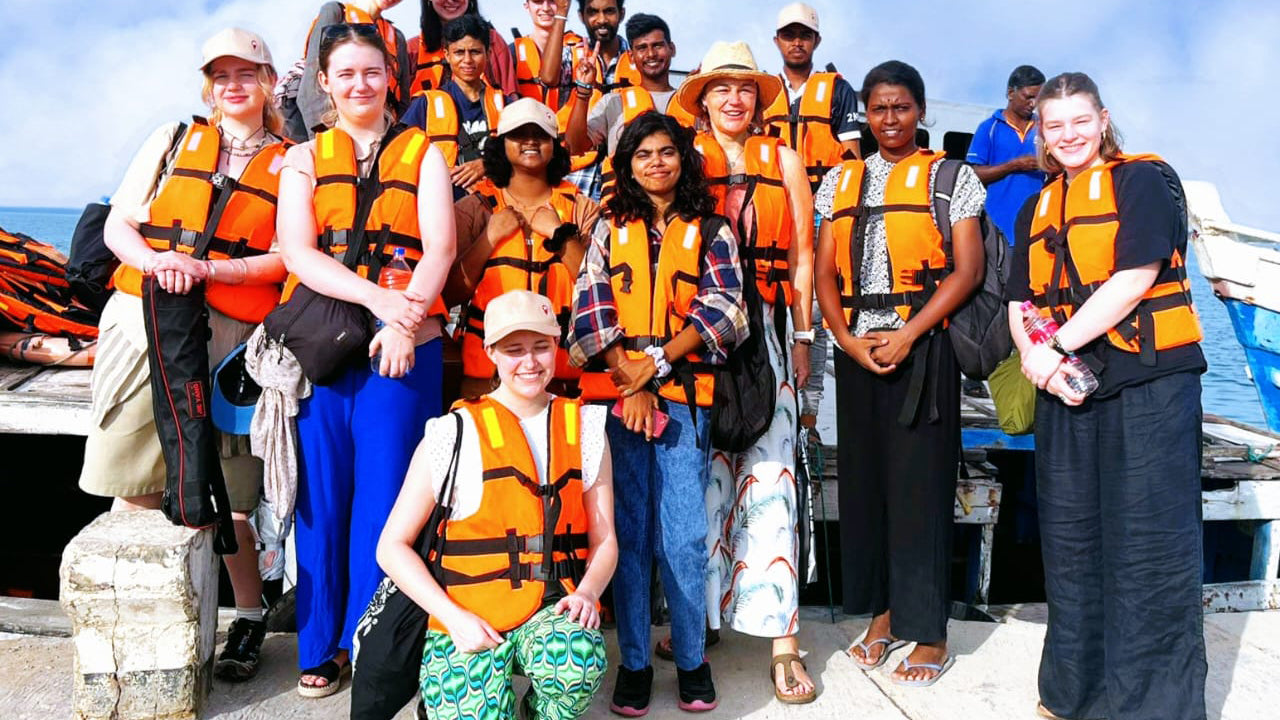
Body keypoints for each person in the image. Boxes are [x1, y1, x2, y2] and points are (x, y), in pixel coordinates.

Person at [79, 27, 288, 683]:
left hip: (230, 344)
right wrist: (158, 262)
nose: (234, 85)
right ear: (208, 85)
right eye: (221, 75)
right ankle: (136, 628)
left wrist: (216, 275)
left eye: (247, 72)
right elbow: (120, 223)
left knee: (230, 492)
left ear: (270, 81)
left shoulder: (294, 161)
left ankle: (248, 616)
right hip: (145, 324)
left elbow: (290, 255)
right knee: (134, 482)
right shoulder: (173, 140)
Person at [1007, 72, 1206, 720]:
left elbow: (1136, 275)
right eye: (1054, 125)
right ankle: (1072, 694)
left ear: (1103, 120)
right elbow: (1018, 300)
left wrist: (1055, 344)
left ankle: (1151, 707)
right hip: (1068, 390)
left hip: (1148, 383)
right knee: (1071, 547)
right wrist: (1039, 362)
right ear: (1041, 132)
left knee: (1150, 550)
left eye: (1079, 121)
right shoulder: (1038, 205)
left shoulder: (1142, 180)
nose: (1067, 135)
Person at [276, 22, 456, 697]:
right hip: (328, 349)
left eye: (372, 72)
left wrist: (406, 321)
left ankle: (371, 640)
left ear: (391, 78)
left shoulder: (425, 153)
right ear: (324, 82)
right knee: (321, 501)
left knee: (387, 503)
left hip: (407, 350)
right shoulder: (302, 158)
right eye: (346, 73)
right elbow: (299, 252)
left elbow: (438, 247)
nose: (360, 84)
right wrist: (386, 306)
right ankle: (319, 644)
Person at [568, 111, 748, 715]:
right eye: (642, 153)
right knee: (629, 534)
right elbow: (588, 306)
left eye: (666, 151)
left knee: (685, 537)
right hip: (620, 403)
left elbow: (727, 308)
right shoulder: (606, 229)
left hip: (684, 400)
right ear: (627, 164)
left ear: (683, 159)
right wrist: (630, 378)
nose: (656, 163)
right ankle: (637, 663)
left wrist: (658, 365)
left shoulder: (713, 228)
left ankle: (693, 659)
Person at [813, 59, 986, 687]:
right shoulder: (840, 182)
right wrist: (846, 342)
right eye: (879, 108)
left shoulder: (951, 177)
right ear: (867, 113)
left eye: (902, 107)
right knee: (866, 485)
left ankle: (931, 632)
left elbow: (967, 270)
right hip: (857, 345)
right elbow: (827, 271)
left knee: (921, 485)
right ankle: (883, 616)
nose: (890, 119)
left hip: (924, 342)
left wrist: (910, 333)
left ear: (920, 111)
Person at [377, 289, 617, 720]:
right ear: (489, 351)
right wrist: (452, 617)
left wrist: (587, 592)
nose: (530, 362)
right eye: (513, 350)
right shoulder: (451, 432)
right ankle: (440, 700)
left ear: (556, 345)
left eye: (541, 347)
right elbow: (391, 546)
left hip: (548, 608)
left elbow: (605, 540)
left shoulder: (584, 426)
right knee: (475, 709)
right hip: (467, 614)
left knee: (577, 659)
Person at [672, 41, 818, 704]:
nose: (734, 98)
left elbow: (805, 258)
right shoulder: (682, 158)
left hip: (769, 326)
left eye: (745, 88)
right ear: (701, 97)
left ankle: (783, 637)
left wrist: (807, 334)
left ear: (759, 100)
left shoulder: (785, 159)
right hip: (698, 327)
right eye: (720, 87)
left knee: (771, 473)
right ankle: (699, 623)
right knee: (701, 476)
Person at [446, 98, 599, 400]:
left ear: (554, 144)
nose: (530, 141)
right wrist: (488, 238)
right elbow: (450, 293)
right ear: (502, 144)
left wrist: (560, 235)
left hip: (563, 383)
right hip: (485, 383)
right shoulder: (473, 208)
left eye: (541, 134)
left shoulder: (582, 209)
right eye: (518, 134)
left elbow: (598, 287)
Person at [764, 1, 862, 438]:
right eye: (789, 34)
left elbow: (854, 158)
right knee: (769, 304)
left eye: (804, 34)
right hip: (773, 207)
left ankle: (808, 414)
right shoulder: (763, 91)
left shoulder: (838, 90)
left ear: (816, 41)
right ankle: (767, 402)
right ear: (777, 41)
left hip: (822, 211)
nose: (796, 41)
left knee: (817, 312)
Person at [542, 0, 640, 201]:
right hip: (576, 173)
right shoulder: (573, 54)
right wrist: (561, 13)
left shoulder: (636, 58)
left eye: (609, 11)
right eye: (593, 12)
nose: (601, 20)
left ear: (621, 14)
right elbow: (548, 78)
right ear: (581, 16)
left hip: (623, 175)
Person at [402, 14, 506, 198]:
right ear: (447, 55)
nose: (467, 60)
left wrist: (487, 164)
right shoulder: (425, 105)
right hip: (445, 205)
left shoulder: (505, 105)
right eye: (459, 52)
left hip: (499, 207)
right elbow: (401, 156)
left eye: (475, 52)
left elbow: (524, 153)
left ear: (488, 54)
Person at [297, 1, 414, 140]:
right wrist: (323, 140)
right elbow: (310, 89)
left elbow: (403, 102)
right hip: (335, 134)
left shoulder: (397, 37)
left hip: (383, 137)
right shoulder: (335, 13)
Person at [967, 64, 1047, 245]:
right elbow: (971, 176)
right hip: (998, 234)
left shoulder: (1045, 128)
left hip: (1039, 233)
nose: (1033, 104)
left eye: (1038, 98)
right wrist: (1014, 165)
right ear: (1011, 93)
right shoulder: (989, 128)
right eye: (1028, 97)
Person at [408, 0, 518, 97]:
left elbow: (511, 98)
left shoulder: (492, 41)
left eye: (475, 52)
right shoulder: (411, 50)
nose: (451, 0)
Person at [512, 0, 585, 107]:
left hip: (569, 122)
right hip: (530, 121)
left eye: (552, 1)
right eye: (538, 1)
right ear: (527, 6)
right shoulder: (513, 53)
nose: (546, 8)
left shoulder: (582, 50)